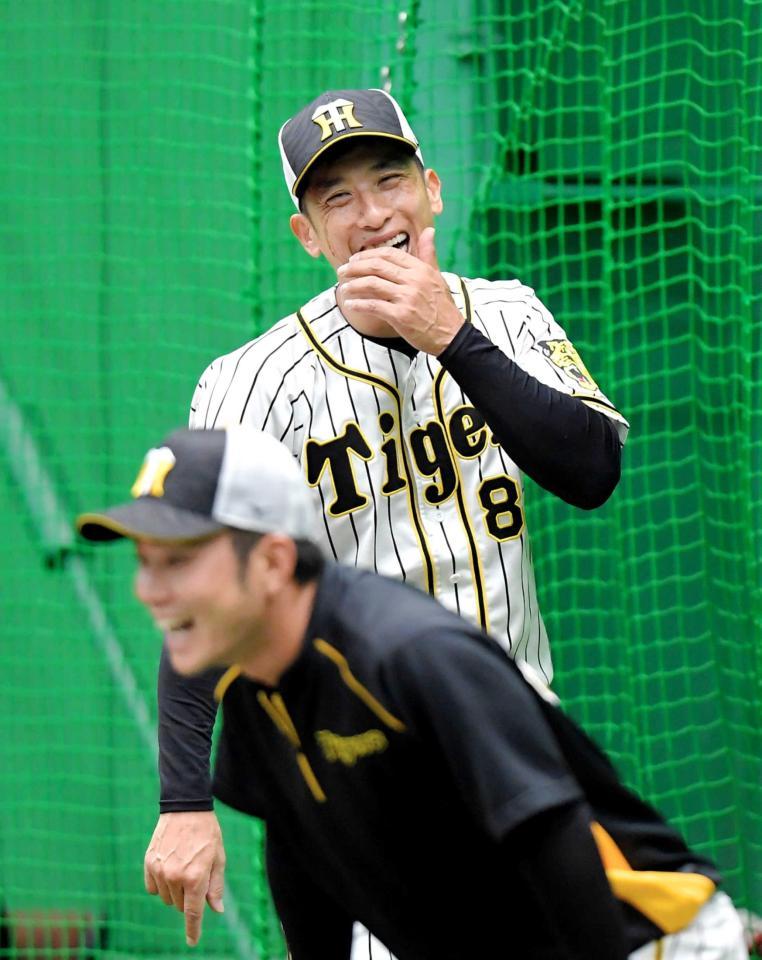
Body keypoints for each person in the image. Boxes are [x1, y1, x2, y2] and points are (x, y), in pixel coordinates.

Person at [151, 88, 631, 946]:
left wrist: (452, 335)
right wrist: (185, 799)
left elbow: (591, 470)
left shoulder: (508, 315)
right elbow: (202, 586)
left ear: (433, 189)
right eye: (337, 198)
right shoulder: (250, 383)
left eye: (389, 179)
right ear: (308, 235)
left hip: (526, 750)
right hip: (364, 778)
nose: (372, 214)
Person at [76, 426, 746, 960]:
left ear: (274, 561)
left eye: (180, 560)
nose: (149, 590)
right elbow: (302, 861)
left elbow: (553, 835)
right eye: (145, 562)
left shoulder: (409, 653)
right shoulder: (259, 690)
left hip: (643, 941)